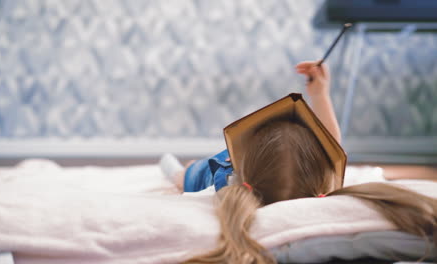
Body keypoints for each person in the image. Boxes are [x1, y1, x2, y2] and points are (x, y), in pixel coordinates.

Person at [160, 61, 437, 264]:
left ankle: (169, 165)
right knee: (192, 172)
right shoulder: (323, 187)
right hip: (241, 167)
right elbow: (332, 142)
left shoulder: (224, 182)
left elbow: (330, 144)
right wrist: (320, 95)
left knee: (185, 175)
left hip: (226, 166)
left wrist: (185, 176)